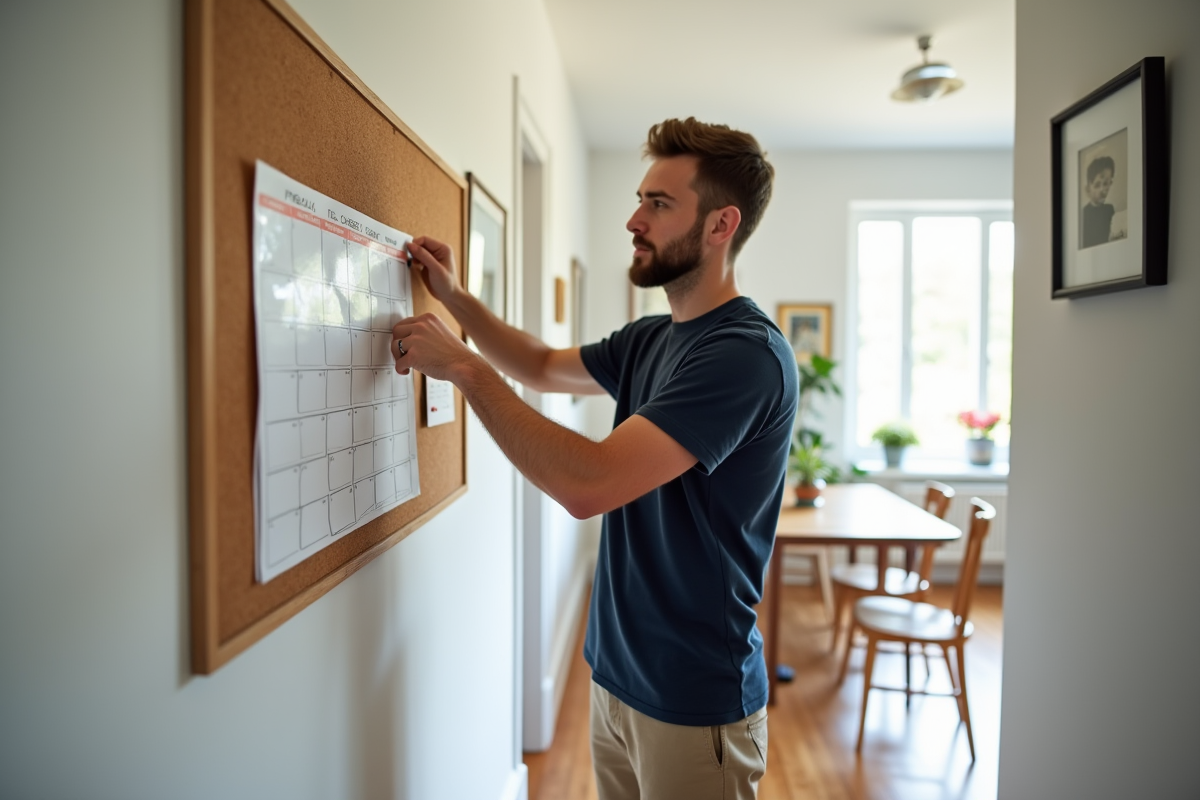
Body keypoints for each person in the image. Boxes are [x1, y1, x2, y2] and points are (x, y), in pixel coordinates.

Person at [391, 117, 798, 799]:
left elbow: (590, 483)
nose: (635, 221)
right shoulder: (652, 338)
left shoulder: (743, 355)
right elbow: (541, 365)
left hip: (693, 700)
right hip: (616, 675)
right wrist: (457, 299)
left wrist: (463, 368)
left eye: (659, 204)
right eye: (641, 200)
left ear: (721, 225)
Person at [1081, 154, 1116, 248]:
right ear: (1088, 189)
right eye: (1097, 185)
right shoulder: (1084, 214)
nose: (1102, 189)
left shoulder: (1109, 209)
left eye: (1106, 183)